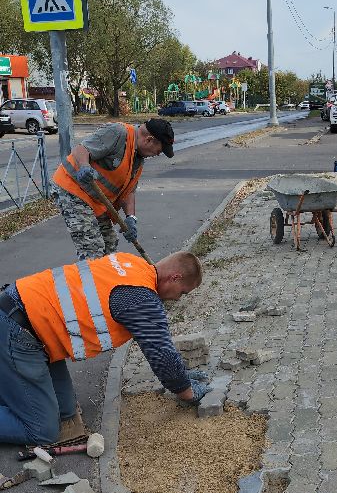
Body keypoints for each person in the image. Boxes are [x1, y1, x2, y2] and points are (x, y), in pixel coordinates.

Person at [0, 250, 207, 446]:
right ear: (175, 277)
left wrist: (183, 378)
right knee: (43, 430)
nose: (178, 298)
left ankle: (12, 385)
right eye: (183, 292)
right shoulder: (141, 298)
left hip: (29, 319)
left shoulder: (130, 263)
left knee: (66, 413)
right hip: (18, 330)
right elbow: (163, 356)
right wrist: (187, 391)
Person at [51, 118, 175, 260]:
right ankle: (89, 280)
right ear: (149, 140)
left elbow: (129, 191)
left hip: (97, 201)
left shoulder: (138, 158)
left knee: (110, 244)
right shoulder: (117, 133)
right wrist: (84, 166)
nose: (157, 154)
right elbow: (81, 149)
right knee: (92, 249)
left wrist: (130, 218)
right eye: (158, 151)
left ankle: (106, 279)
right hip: (73, 190)